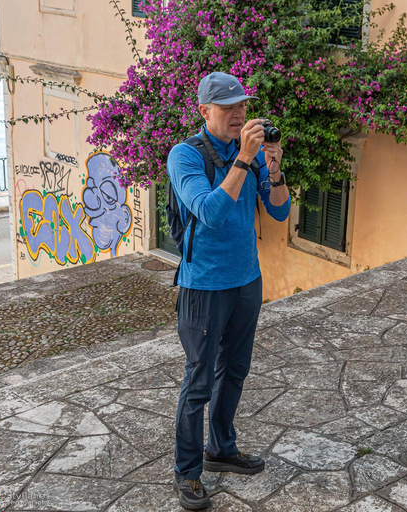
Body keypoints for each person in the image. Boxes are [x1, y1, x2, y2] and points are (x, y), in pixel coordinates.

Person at [167, 72, 290, 510]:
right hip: (203, 286)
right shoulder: (185, 156)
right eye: (228, 108)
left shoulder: (252, 156)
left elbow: (278, 210)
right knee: (198, 380)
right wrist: (243, 159)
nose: (239, 114)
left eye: (242, 106)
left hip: (246, 281)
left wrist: (272, 168)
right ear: (204, 111)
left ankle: (221, 448)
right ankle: (188, 471)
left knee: (235, 370)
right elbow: (211, 213)